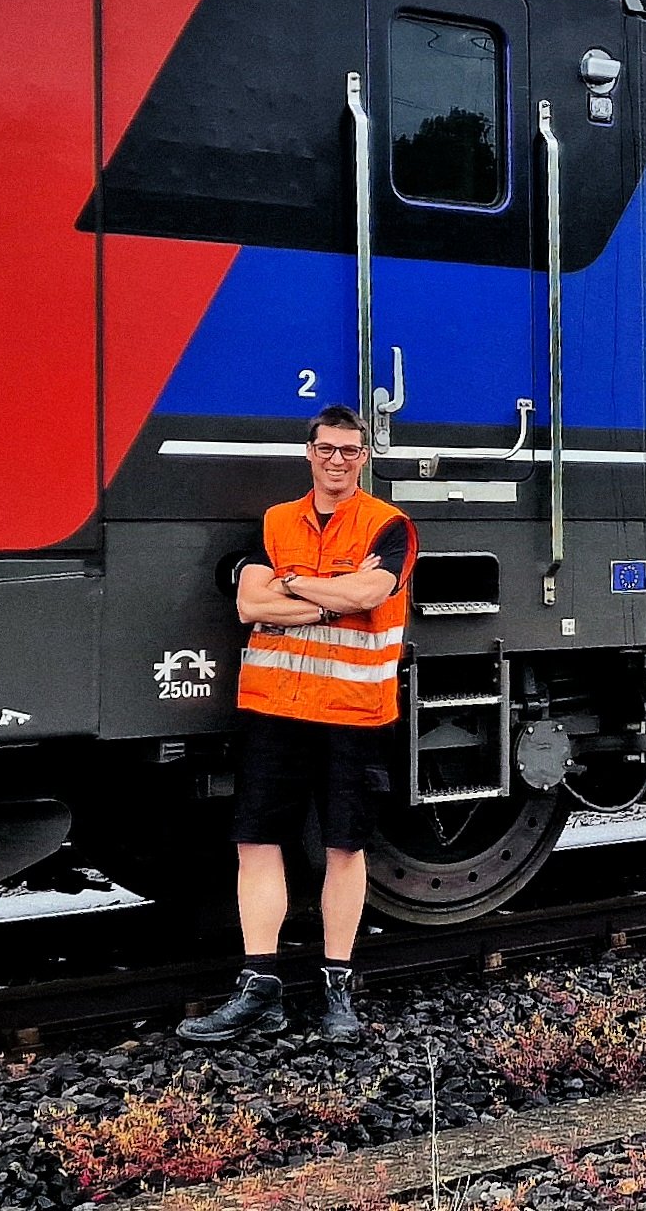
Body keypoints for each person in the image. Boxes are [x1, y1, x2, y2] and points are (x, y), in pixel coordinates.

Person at [179, 407, 416, 1045]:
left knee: (345, 847)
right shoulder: (276, 521)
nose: (337, 460)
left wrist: (294, 586)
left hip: (352, 711)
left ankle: (338, 988)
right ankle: (260, 989)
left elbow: (369, 594)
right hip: (276, 709)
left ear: (364, 457)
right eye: (327, 449)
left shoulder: (389, 526)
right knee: (256, 841)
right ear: (309, 453)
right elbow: (248, 603)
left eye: (349, 450)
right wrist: (328, 596)